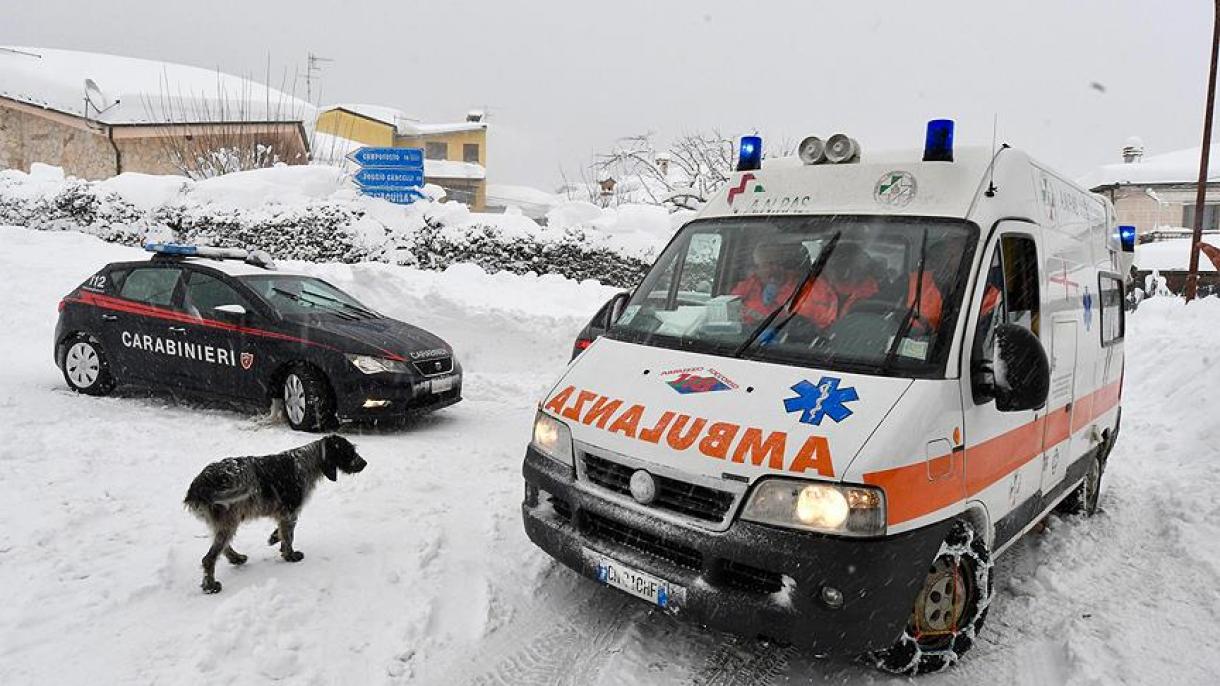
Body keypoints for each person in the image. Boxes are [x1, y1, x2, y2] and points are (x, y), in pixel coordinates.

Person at [793, 242, 880, 330]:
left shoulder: (875, 295)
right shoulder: (809, 291)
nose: (843, 271)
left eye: (848, 265)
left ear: (862, 269)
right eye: (835, 264)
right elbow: (795, 325)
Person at [731, 242, 801, 322]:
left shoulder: (800, 286)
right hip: (751, 333)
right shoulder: (748, 285)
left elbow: (801, 317)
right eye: (766, 265)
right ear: (757, 268)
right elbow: (730, 306)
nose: (773, 269)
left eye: (776, 263)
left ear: (783, 265)